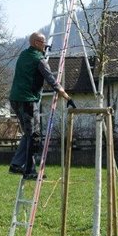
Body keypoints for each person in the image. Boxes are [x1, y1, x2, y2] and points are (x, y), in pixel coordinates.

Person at [8, 32, 71, 180]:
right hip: (28, 101)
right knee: (34, 136)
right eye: (43, 43)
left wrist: (42, 54)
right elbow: (52, 80)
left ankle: (16, 165)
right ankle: (29, 170)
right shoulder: (39, 60)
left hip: (15, 99)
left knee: (28, 134)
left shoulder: (24, 54)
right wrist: (67, 96)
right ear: (36, 43)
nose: (45, 45)